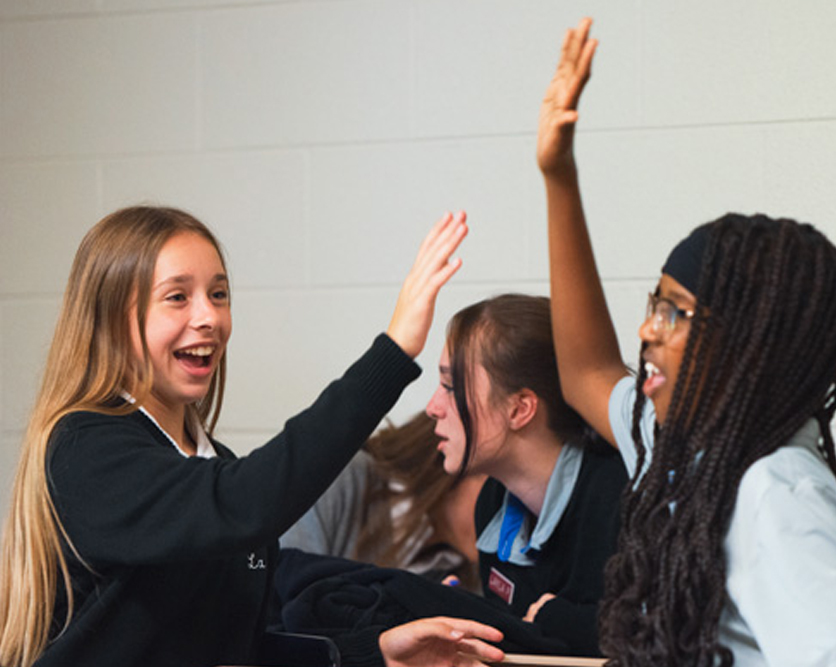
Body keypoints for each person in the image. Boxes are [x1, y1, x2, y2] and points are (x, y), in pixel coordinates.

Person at [0, 205, 504, 667]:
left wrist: (374, 654)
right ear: (112, 321)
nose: (209, 318)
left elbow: (244, 650)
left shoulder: (212, 464)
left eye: (218, 295)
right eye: (178, 297)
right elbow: (247, 502)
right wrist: (393, 354)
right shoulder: (86, 448)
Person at [538, 17, 836, 667]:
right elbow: (585, 369)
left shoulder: (773, 486)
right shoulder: (682, 447)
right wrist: (558, 174)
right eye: (654, 304)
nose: (647, 330)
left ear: (746, 345)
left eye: (675, 313)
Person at [425, 293, 628, 655]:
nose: (433, 408)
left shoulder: (621, 499)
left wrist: (557, 622)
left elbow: (659, 635)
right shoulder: (492, 500)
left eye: (452, 388)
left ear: (519, 409)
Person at [280, 411, 485, 590]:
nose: (510, 518)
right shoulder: (341, 477)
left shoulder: (464, 574)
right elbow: (274, 605)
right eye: (502, 490)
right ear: (451, 461)